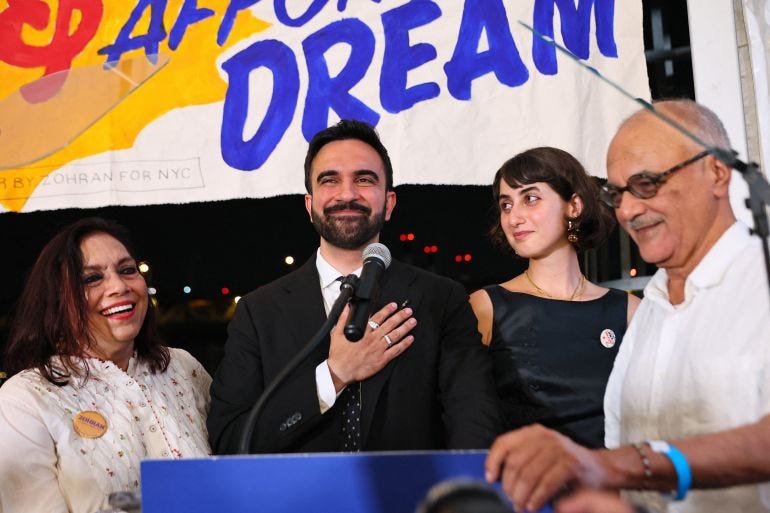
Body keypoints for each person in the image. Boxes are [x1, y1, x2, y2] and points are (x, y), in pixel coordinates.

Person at [483, 99, 770, 513]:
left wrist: (619, 466)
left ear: (717, 173)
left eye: (647, 184)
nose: (630, 210)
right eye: (617, 193)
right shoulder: (650, 312)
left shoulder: (757, 281)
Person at [207, 119, 501, 454]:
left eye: (364, 179)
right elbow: (230, 440)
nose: (347, 194)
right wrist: (333, 374)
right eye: (330, 180)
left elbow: (474, 423)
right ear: (310, 205)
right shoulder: (258, 311)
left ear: (389, 203)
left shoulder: (441, 299)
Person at [0, 217, 211, 513]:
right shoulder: (24, 399)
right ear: (56, 301)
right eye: (91, 278)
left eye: (127, 270)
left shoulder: (183, 369)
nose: (119, 286)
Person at [469, 147, 639, 448]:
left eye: (530, 199)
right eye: (506, 205)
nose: (514, 217)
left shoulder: (628, 310)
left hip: (611, 484)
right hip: (524, 487)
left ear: (574, 205)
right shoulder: (486, 306)